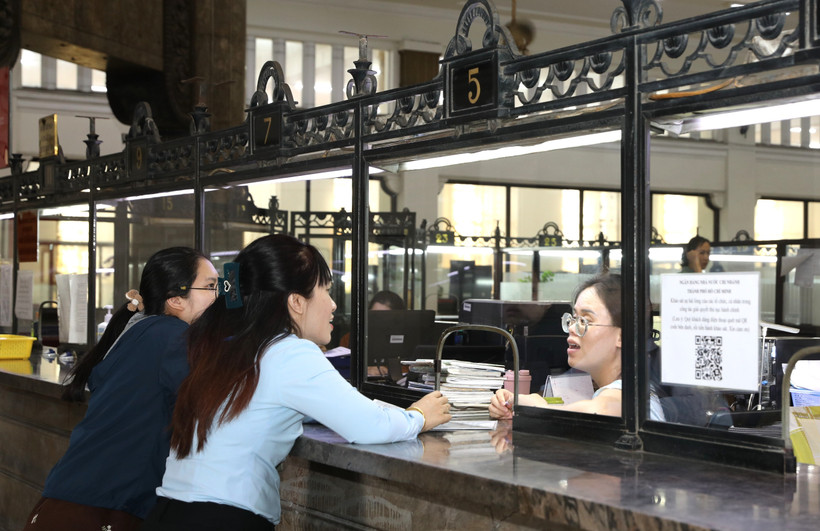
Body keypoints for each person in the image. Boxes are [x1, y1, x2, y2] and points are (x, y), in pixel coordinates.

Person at [141, 234, 450, 530]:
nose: (332, 304)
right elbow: (370, 426)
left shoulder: (228, 345)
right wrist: (419, 416)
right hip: (221, 518)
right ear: (296, 303)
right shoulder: (289, 351)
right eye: (326, 290)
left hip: (170, 511)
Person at [24, 247, 219, 531]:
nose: (219, 297)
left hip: (63, 502)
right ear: (176, 299)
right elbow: (213, 405)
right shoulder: (174, 338)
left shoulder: (140, 333)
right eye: (210, 287)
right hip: (104, 510)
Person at [489, 273, 665, 421]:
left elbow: (600, 409)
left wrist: (527, 412)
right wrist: (513, 401)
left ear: (623, 336)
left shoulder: (624, 393)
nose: (572, 328)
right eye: (573, 319)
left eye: (585, 321)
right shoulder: (610, 386)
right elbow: (553, 402)